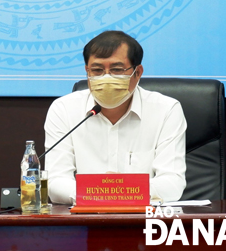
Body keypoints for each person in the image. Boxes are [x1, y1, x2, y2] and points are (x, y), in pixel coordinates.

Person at [44, 31, 186, 204]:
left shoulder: (166, 110)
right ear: (87, 71)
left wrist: (122, 191)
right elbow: (55, 181)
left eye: (117, 70)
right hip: (84, 220)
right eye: (97, 70)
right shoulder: (64, 109)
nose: (106, 77)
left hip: (145, 221)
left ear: (137, 72)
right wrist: (101, 192)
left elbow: (172, 183)